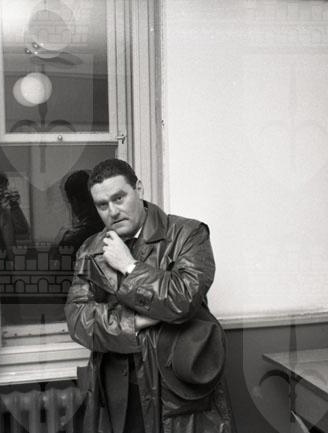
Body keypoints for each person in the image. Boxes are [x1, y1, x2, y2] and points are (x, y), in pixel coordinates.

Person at [65, 158, 234, 433]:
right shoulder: (90, 249)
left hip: (178, 392)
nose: (113, 211)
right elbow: (78, 320)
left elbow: (183, 299)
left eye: (119, 198)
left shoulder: (188, 234)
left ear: (139, 189)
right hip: (119, 393)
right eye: (102, 205)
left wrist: (129, 267)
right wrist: (137, 321)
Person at [54, 169, 104, 258]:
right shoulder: (111, 228)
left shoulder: (72, 240)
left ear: (74, 201)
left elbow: (56, 265)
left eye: (69, 202)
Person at [0, 172, 30, 261]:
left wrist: (14, 206)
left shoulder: (6, 211)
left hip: (7, 261)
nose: (1, 195)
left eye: (4, 190)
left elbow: (23, 230)